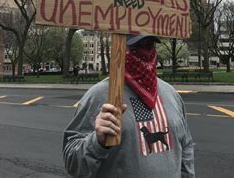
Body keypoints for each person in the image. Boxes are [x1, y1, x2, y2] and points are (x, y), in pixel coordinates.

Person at [63, 34, 195, 177]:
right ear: (120, 46)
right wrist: (97, 142)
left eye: (150, 45)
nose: (145, 52)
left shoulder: (171, 94)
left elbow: (186, 145)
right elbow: (72, 163)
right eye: (137, 46)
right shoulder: (99, 95)